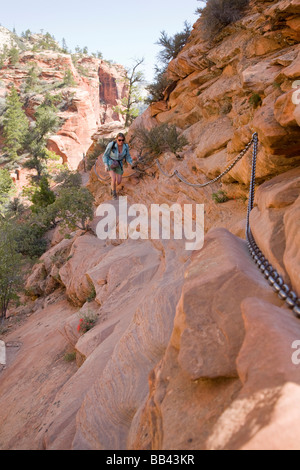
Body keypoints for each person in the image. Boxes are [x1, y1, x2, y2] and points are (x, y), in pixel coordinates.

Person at [102, 133, 135, 199]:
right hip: (111, 163)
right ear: (116, 139)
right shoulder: (112, 145)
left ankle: (112, 187)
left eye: (122, 140)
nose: (121, 142)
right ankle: (114, 194)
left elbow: (127, 156)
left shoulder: (125, 146)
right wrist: (106, 165)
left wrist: (131, 163)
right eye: (119, 140)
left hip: (119, 163)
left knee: (119, 182)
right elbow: (105, 155)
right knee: (113, 179)